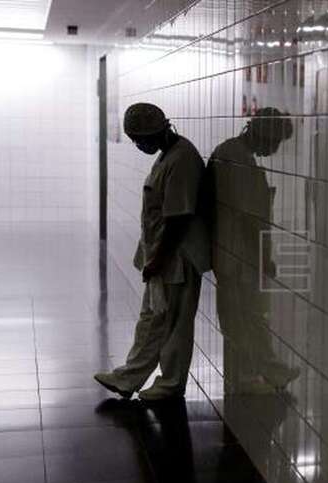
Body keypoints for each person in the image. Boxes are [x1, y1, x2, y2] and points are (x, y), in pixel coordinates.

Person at [94, 102, 211, 401]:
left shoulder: (182, 159)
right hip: (164, 254)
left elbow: (178, 219)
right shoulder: (168, 154)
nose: (138, 145)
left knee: (174, 324)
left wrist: (158, 260)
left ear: (156, 131)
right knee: (152, 320)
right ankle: (128, 377)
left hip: (177, 257)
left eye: (139, 140)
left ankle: (170, 384)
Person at [209, 107, 299, 394]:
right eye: (275, 142)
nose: (274, 149)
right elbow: (249, 218)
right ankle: (251, 375)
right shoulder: (238, 160)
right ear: (262, 135)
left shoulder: (232, 152)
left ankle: (268, 371)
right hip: (239, 254)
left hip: (232, 251)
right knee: (243, 316)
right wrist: (263, 258)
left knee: (245, 315)